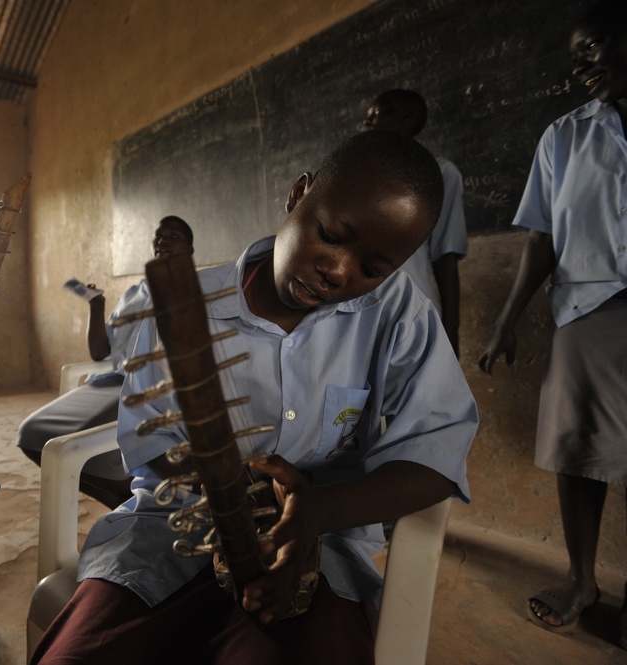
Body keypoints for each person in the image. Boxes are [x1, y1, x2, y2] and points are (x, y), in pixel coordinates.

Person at [31, 130, 477, 665]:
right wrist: (233, 505)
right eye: (332, 235)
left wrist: (317, 512)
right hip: (166, 535)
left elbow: (435, 454)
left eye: (373, 269)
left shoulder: (400, 313)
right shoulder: (180, 305)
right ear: (299, 194)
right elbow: (152, 444)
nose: (339, 271)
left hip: (319, 548)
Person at [478, 0, 627, 649]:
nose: (577, 65)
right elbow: (541, 236)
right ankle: (582, 580)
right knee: (579, 450)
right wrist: (507, 318)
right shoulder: (565, 136)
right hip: (588, 307)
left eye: (591, 46)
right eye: (573, 54)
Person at [15, 215, 194, 509]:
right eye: (159, 236)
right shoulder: (134, 294)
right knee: (32, 434)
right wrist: (96, 308)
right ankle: (120, 496)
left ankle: (131, 495)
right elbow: (99, 352)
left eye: (174, 236)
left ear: (189, 251)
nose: (163, 240)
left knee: (85, 447)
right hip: (113, 383)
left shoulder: (197, 293)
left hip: (153, 390)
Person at [362, 88, 468, 357]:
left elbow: (445, 257)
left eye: (375, 114)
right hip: (357, 313)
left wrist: (451, 329)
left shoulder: (441, 174)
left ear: (406, 119)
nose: (366, 122)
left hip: (414, 314)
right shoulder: (356, 177)